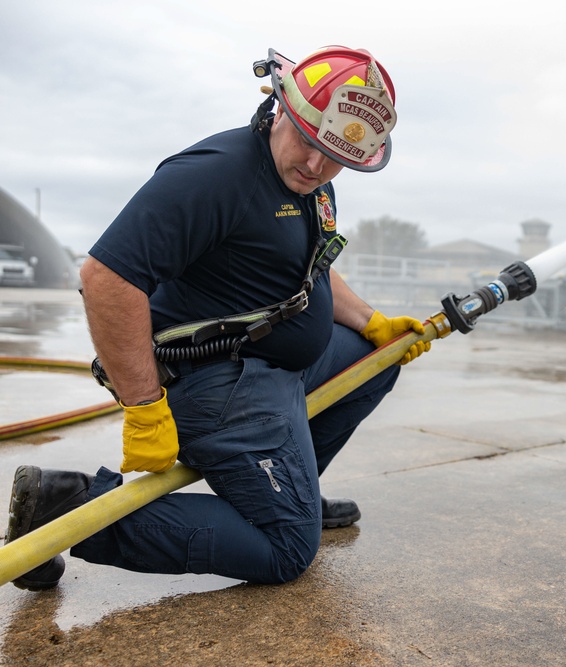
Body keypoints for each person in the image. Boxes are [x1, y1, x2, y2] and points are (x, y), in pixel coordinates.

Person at [5, 45, 430, 591]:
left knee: (377, 361)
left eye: (336, 157)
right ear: (280, 108)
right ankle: (63, 508)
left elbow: (310, 269)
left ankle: (288, 487)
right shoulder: (216, 176)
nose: (317, 166)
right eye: (307, 141)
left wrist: (372, 323)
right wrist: (143, 406)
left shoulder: (309, 178)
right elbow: (106, 277)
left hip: (275, 366)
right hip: (220, 381)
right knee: (286, 551)